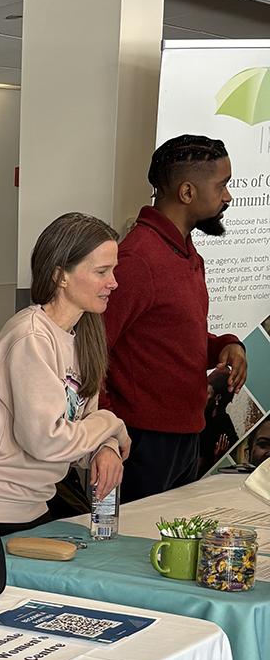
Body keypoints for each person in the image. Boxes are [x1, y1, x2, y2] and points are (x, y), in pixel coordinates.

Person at [0, 213, 130, 532]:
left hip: (30, 504)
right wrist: (113, 424)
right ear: (61, 276)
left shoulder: (84, 335)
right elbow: (47, 442)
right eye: (101, 271)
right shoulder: (30, 337)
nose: (114, 282)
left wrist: (106, 445)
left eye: (112, 270)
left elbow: (81, 431)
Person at [101, 135, 247, 503]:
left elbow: (171, 331)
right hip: (142, 441)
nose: (227, 197)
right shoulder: (138, 259)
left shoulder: (182, 250)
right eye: (222, 185)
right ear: (186, 192)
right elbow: (91, 349)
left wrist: (225, 345)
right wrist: (105, 434)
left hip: (183, 434)